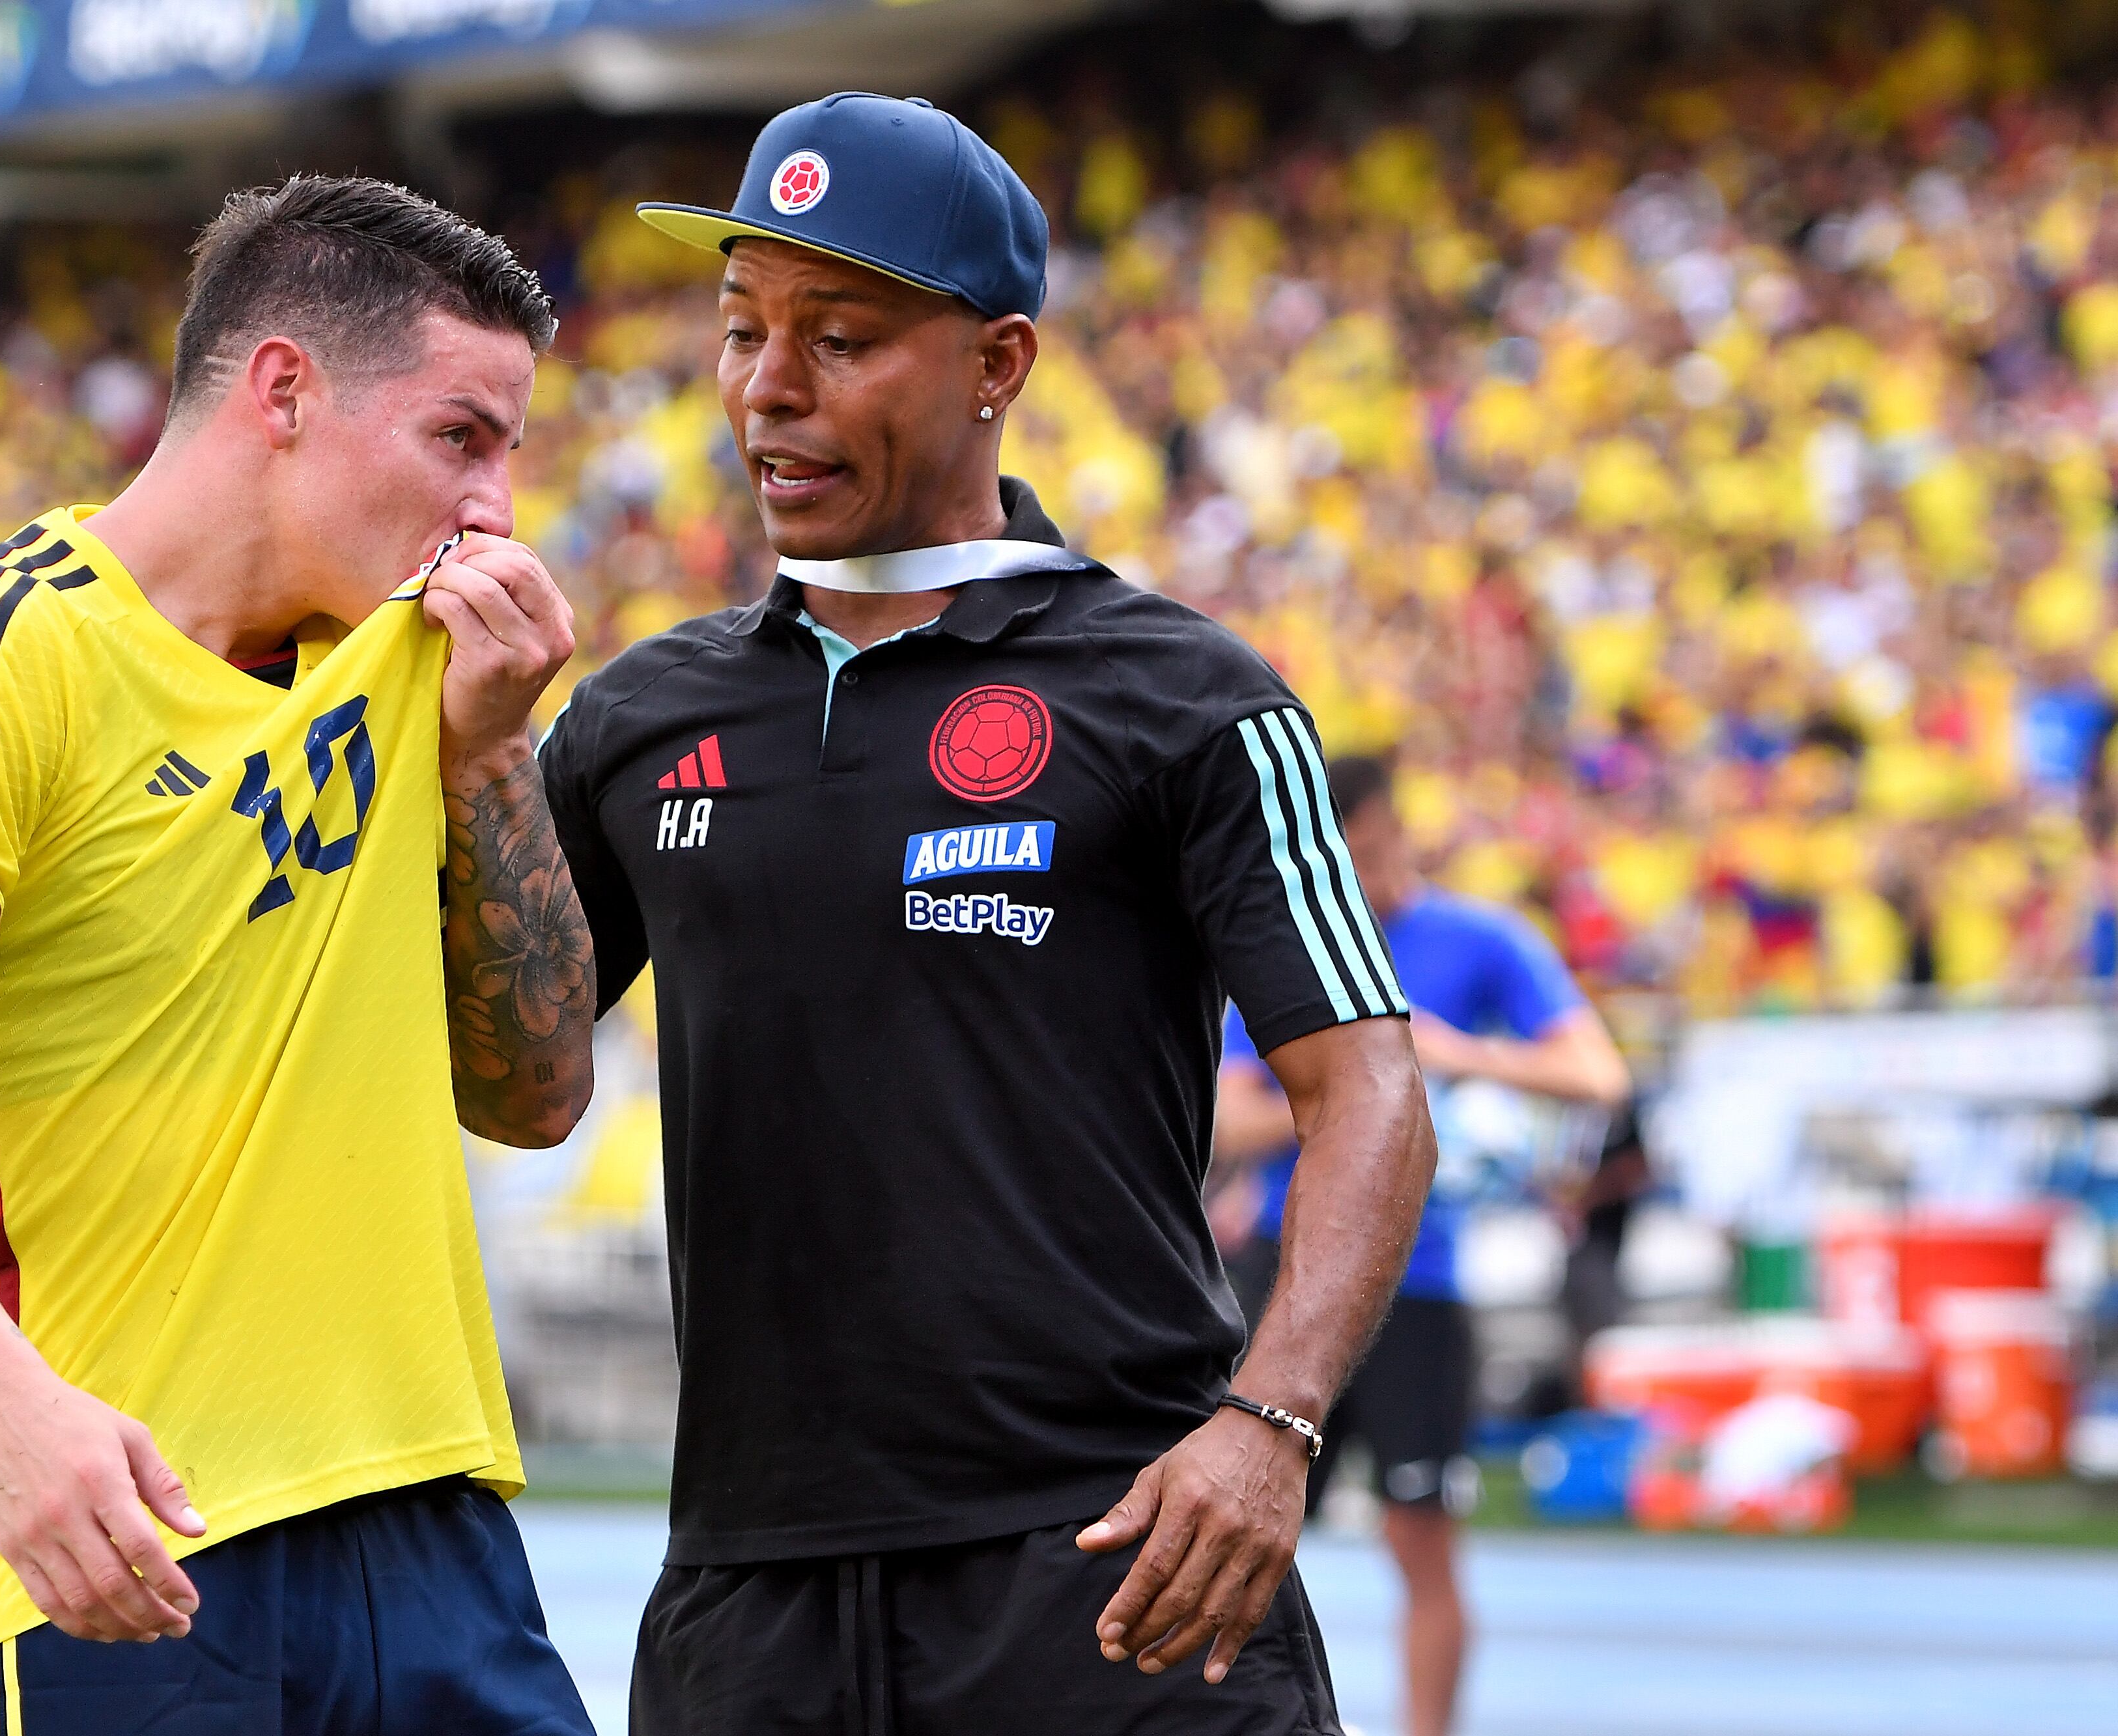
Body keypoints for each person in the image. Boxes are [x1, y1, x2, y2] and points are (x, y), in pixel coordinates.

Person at [539, 94, 1439, 1735]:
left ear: (997, 364)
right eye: (741, 330)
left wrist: (1274, 1421)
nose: (768, 386)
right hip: (751, 1595)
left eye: (842, 335)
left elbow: (1366, 1084)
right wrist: (467, 762)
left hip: (1114, 1563)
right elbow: (506, 1082)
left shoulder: (1189, 696)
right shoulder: (630, 719)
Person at [0, 175, 600, 1735]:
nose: (494, 508)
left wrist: (492, 756)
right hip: (128, 1538)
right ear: (283, 389)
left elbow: (536, 1091)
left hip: (439, 1540)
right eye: (458, 438)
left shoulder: (423, 651)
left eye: (509, 452)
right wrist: (7, 1413)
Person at [1217, 753, 1630, 1736]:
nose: (1352, 871)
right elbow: (1228, 1122)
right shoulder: (1287, 939)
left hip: (1421, 1276)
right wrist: (1362, 1087)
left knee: (1423, 1536)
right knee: (1238, 1528)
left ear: (1388, 830)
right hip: (1286, 1266)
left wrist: (1455, 1053)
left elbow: (1598, 1073)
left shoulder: (1479, 938)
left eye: (1361, 846)